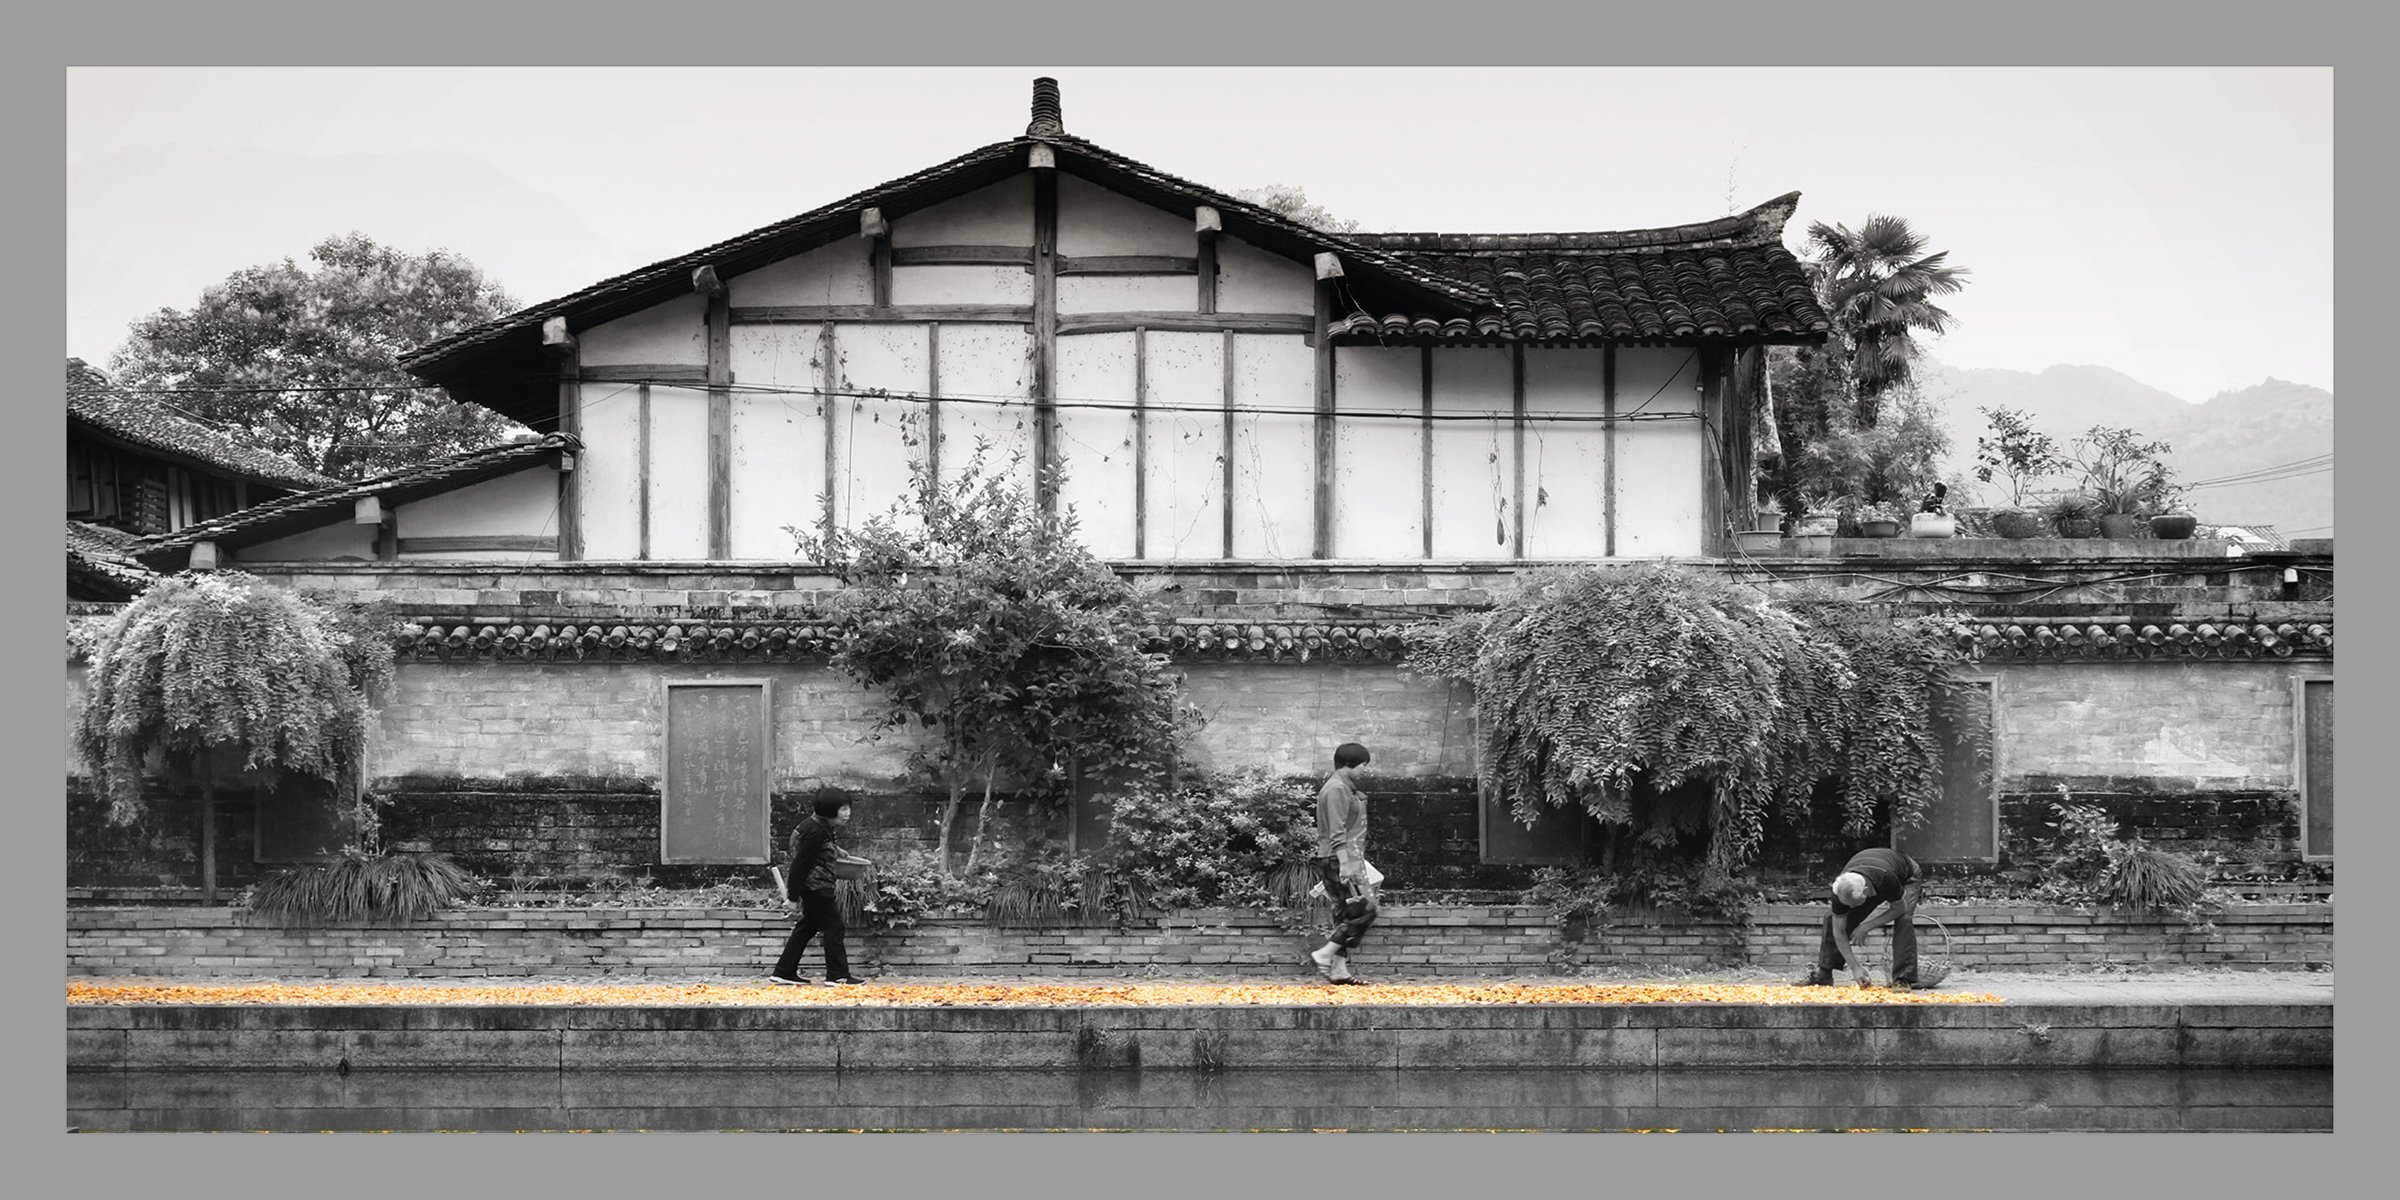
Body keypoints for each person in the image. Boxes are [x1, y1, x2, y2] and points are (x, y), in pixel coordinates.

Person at [768, 796, 870, 986]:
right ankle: (838, 975)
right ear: (829, 810)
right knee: (834, 926)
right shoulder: (814, 831)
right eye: (843, 809)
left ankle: (783, 971)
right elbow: (800, 864)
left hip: (817, 884)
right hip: (816, 887)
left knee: (807, 926)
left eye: (848, 808)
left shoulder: (820, 827)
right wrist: (792, 897)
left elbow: (818, 848)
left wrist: (837, 850)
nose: (848, 813)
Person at [1798, 845, 1922, 989]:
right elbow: (1839, 931)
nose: (1851, 909)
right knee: (1831, 918)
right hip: (1872, 875)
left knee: (1904, 918)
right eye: (1847, 904)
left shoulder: (1886, 877)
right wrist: (1855, 968)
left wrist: (1866, 926)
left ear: (1865, 892)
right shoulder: (1841, 888)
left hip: (1906, 875)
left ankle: (1903, 979)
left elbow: (1900, 908)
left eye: (1854, 904)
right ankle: (1824, 974)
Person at [1306, 742, 1378, 985]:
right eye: (1363, 765)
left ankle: (1339, 970)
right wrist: (1346, 864)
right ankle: (1323, 955)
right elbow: (1337, 831)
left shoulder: (1345, 788)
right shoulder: (1336, 789)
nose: (1365, 770)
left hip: (1343, 858)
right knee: (1365, 910)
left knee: (1344, 912)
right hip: (1339, 859)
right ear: (1349, 763)